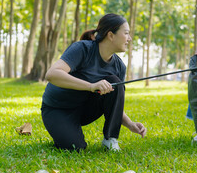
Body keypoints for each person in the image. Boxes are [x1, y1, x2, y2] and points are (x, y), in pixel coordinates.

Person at [41, 13, 147, 152]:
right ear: (111, 35)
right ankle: (66, 131)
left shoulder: (119, 66)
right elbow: (52, 74)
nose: (129, 38)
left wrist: (130, 124)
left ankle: (110, 139)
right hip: (58, 109)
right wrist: (91, 86)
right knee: (75, 148)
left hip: (85, 108)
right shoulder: (83, 49)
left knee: (114, 82)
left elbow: (114, 103)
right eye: (126, 33)